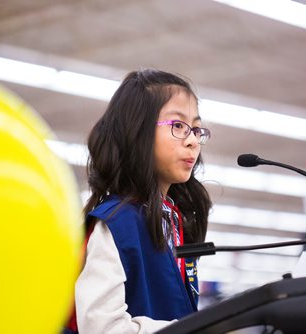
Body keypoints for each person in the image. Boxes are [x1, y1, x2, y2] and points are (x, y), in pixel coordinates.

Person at [71, 68, 212, 333]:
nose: (193, 140)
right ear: (137, 132)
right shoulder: (116, 223)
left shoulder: (172, 220)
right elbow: (101, 328)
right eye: (179, 126)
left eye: (195, 128)